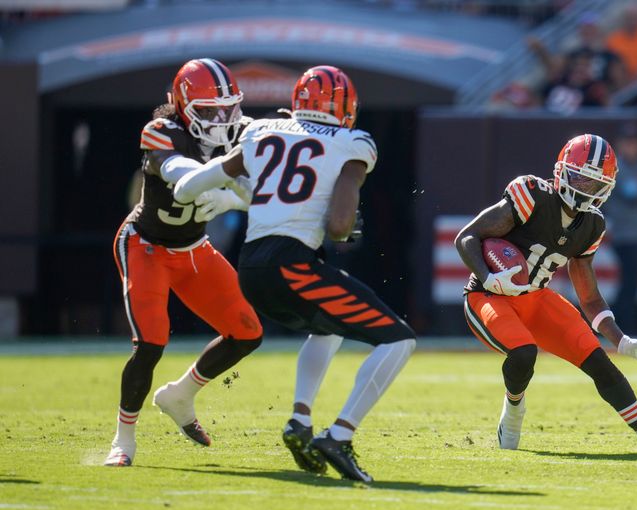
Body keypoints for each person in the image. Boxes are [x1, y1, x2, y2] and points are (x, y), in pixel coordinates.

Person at [172, 65, 416, 483]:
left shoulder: (263, 130)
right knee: (399, 340)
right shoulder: (353, 142)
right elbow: (340, 227)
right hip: (292, 265)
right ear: (348, 110)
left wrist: (230, 199)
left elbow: (186, 189)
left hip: (251, 268)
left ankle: (300, 420)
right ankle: (339, 435)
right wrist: (338, 219)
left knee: (328, 328)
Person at [454, 134, 637, 455]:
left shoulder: (592, 224)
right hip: (488, 297)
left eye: (594, 183)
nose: (585, 188)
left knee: (599, 362)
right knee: (523, 352)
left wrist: (621, 340)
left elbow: (590, 297)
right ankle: (513, 411)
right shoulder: (531, 195)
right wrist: (489, 277)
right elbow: (467, 237)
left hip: (536, 299)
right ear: (562, 171)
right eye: (580, 177)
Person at [105, 58, 264, 467]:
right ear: (183, 106)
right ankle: (123, 439)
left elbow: (263, 193)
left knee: (246, 332)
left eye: (229, 108)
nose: (222, 118)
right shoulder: (161, 132)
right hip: (147, 246)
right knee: (152, 342)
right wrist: (228, 176)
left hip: (194, 249)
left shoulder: (240, 133)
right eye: (211, 110)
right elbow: (183, 174)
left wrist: (234, 194)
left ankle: (180, 395)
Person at [603, 123, 637, 334]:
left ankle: (625, 324)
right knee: (628, 282)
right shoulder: (619, 169)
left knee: (633, 283)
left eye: (636, 143)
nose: (632, 147)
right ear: (621, 145)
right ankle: (619, 325)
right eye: (628, 143)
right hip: (625, 235)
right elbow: (635, 195)